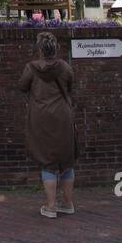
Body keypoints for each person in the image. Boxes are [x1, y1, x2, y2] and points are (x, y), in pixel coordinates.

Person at [18, 31, 77, 218]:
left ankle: (51, 206)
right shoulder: (65, 67)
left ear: (39, 49)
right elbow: (70, 87)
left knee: (46, 160)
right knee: (66, 160)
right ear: (56, 48)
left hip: (40, 117)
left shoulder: (31, 68)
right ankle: (67, 203)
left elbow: (22, 86)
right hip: (63, 116)